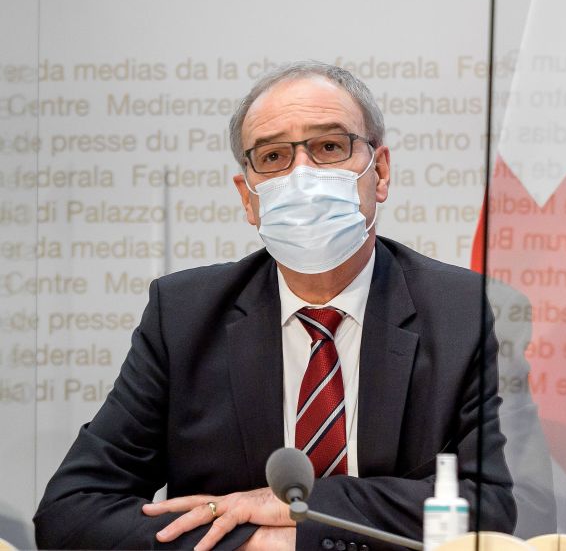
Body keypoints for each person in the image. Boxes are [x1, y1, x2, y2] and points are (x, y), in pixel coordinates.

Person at [34, 61, 515, 551]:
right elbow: (70, 512)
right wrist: (255, 542)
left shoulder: (458, 311)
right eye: (273, 156)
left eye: (330, 147)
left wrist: (305, 513)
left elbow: (491, 507)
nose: (302, 175)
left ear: (381, 173)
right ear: (248, 198)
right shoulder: (182, 316)